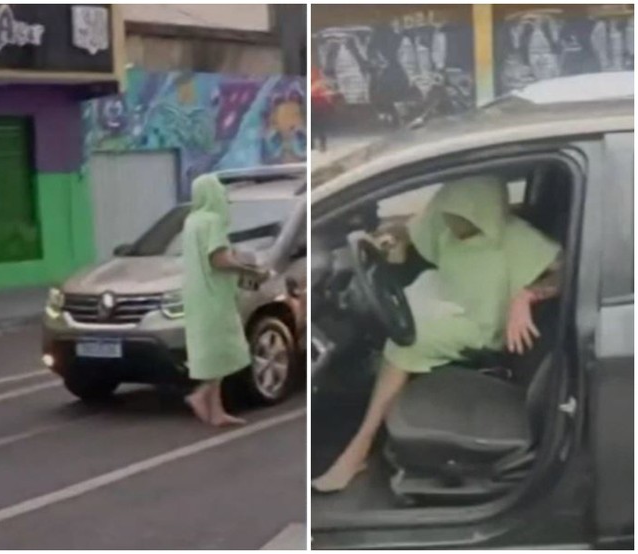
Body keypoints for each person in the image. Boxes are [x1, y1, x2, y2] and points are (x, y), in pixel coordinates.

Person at [312, 175, 563, 492]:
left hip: (481, 324)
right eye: (448, 213)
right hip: (444, 296)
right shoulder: (445, 229)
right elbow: (415, 228)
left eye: (459, 217)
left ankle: (359, 448)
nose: (450, 222)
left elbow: (564, 271)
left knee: (406, 343)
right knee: (397, 319)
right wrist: (395, 238)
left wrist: (526, 296)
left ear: (482, 214)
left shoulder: (519, 240)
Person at [182, 174, 270, 427]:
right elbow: (218, 259)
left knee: (213, 352)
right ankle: (201, 396)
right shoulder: (214, 221)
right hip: (215, 295)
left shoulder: (191, 221)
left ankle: (215, 409)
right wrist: (251, 272)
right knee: (228, 348)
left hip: (197, 294)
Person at [310, 65, 333, 152]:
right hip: (316, 105)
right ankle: (314, 145)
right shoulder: (318, 78)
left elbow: (321, 90)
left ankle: (319, 145)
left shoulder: (317, 79)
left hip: (317, 105)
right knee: (316, 126)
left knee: (318, 125)